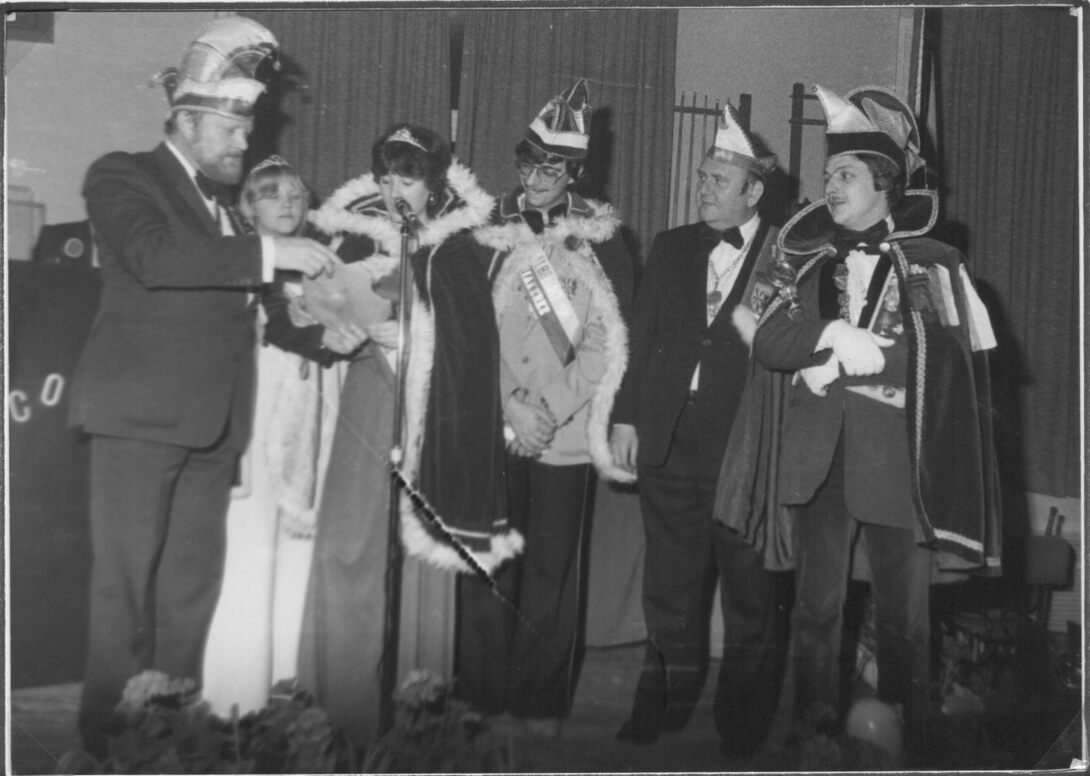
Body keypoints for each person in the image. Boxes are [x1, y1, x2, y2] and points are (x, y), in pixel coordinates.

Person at [67, 17, 343, 761]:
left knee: (189, 590)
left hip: (213, 427)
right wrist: (270, 250)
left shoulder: (222, 207)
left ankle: (170, 731)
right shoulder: (122, 174)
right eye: (229, 127)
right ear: (185, 120)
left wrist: (327, 333)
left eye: (246, 128)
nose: (242, 142)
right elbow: (155, 257)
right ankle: (106, 742)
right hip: (138, 417)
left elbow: (245, 309)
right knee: (125, 589)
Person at [745, 84, 1000, 762]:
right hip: (820, 457)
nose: (830, 185)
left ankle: (901, 737)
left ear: (884, 183)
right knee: (814, 611)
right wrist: (828, 335)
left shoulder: (935, 261)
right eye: (828, 174)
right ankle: (814, 734)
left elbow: (952, 356)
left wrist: (877, 355)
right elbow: (768, 339)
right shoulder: (805, 260)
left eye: (846, 174)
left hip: (897, 461)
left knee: (903, 620)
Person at [296, 122, 516, 760]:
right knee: (348, 547)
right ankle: (341, 721)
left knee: (425, 564)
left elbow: (473, 343)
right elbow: (308, 308)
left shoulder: (457, 244)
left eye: (410, 179)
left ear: (435, 184)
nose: (396, 191)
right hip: (369, 396)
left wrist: (416, 334)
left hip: (434, 409)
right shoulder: (353, 230)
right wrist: (327, 324)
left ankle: (420, 730)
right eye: (387, 177)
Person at [609, 102, 789, 759]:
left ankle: (741, 725)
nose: (704, 188)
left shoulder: (787, 254)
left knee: (750, 597)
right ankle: (660, 705)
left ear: (753, 192)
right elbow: (638, 338)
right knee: (669, 590)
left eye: (719, 180)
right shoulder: (671, 245)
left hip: (744, 453)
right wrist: (626, 416)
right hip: (669, 444)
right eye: (702, 177)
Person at [460, 79, 636, 738]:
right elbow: (468, 330)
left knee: (551, 570)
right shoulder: (486, 226)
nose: (534, 180)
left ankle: (539, 701)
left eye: (551, 170)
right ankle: (480, 694)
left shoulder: (602, 236)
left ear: (576, 172)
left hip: (563, 432)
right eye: (527, 165)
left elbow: (609, 342)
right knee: (490, 561)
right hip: (495, 422)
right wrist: (510, 403)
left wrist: (549, 410)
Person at [199, 156, 367, 715]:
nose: (287, 203)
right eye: (271, 194)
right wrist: (319, 338)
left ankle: (288, 676)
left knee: (301, 542)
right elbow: (274, 322)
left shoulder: (324, 259)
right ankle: (234, 694)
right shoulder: (238, 256)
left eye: (295, 194)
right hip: (257, 407)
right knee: (250, 544)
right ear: (248, 206)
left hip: (315, 406)